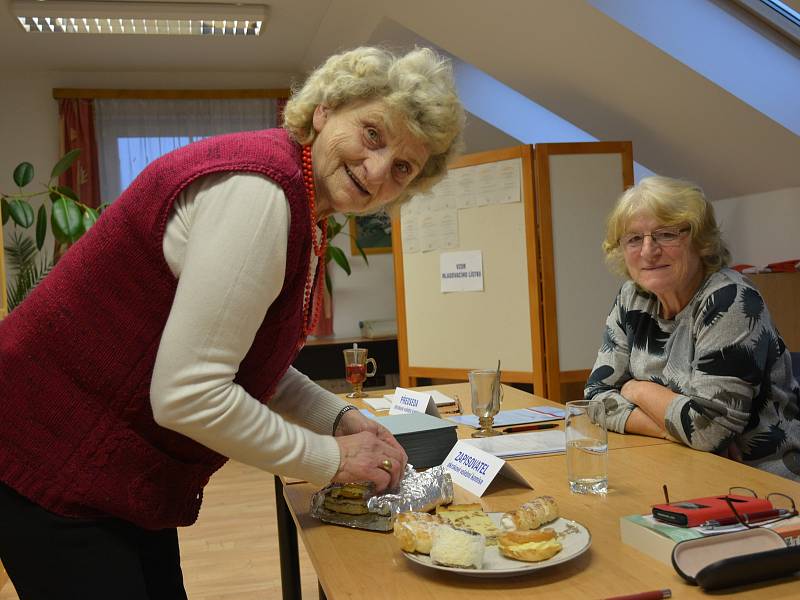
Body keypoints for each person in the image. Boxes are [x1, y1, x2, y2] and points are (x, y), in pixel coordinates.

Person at [0, 46, 465, 598]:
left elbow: (244, 357)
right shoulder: (262, 193)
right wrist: (331, 458)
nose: (379, 169)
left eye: (404, 167)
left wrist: (338, 418)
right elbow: (189, 395)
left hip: (110, 468)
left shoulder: (300, 201)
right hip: (48, 451)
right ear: (325, 109)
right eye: (373, 134)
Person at [585, 175, 800, 480]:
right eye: (634, 238)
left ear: (701, 240)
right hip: (675, 462)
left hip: (760, 480)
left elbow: (709, 432)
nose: (648, 251)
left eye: (666, 234)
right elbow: (596, 397)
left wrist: (635, 388)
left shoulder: (730, 300)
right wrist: (671, 431)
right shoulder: (632, 297)